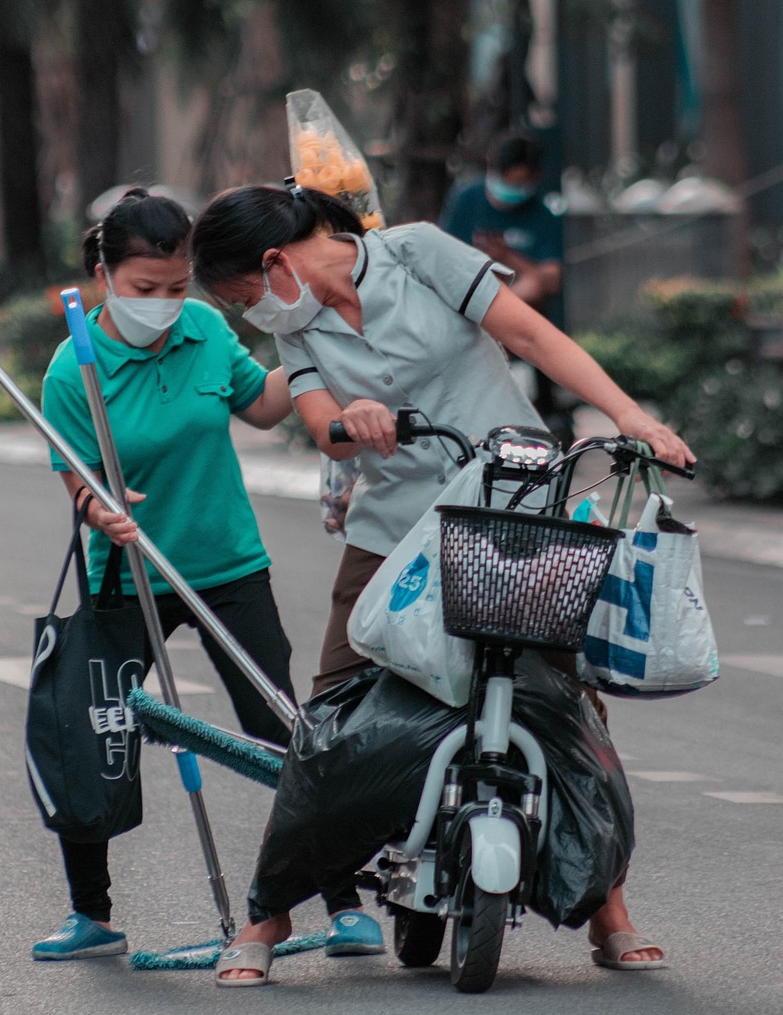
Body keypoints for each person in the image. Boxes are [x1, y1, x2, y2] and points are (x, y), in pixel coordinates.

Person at [191, 183, 694, 985]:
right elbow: (322, 424)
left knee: (564, 703)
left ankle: (608, 908)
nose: (252, 312)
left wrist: (626, 416)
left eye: (243, 294)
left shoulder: (417, 252)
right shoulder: (298, 327)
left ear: (276, 261)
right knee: (330, 717)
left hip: (513, 507)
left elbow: (528, 333)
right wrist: (352, 421)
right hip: (391, 530)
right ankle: (269, 914)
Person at [34, 187, 295, 962]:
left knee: (282, 729)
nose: (163, 303)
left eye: (176, 287)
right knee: (93, 733)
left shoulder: (205, 328)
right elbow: (78, 485)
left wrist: (310, 348)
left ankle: (341, 900)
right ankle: (90, 914)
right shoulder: (71, 370)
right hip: (127, 576)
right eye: (145, 288)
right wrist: (102, 511)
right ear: (105, 275)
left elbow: (263, 405)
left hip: (228, 566)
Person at [441, 129, 566, 432]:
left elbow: (551, 279)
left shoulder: (542, 214)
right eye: (507, 180)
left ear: (533, 178)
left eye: (519, 182)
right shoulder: (466, 200)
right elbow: (442, 257)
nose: (510, 189)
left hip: (518, 312)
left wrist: (508, 257)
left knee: (533, 284)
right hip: (467, 305)